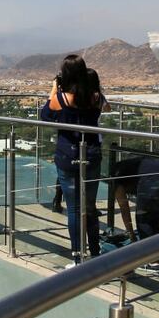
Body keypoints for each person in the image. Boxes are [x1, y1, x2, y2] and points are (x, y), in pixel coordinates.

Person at [40, 55, 104, 265]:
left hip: (68, 155)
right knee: (90, 206)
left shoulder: (62, 98)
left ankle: (78, 258)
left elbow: (46, 116)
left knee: (75, 209)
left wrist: (54, 89)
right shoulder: (96, 97)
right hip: (92, 154)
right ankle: (95, 253)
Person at [51, 68, 109, 214]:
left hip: (70, 141)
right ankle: (89, 206)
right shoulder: (96, 97)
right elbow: (107, 108)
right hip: (92, 139)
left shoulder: (72, 97)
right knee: (89, 174)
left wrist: (57, 90)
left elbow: (49, 113)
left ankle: (59, 199)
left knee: (67, 172)